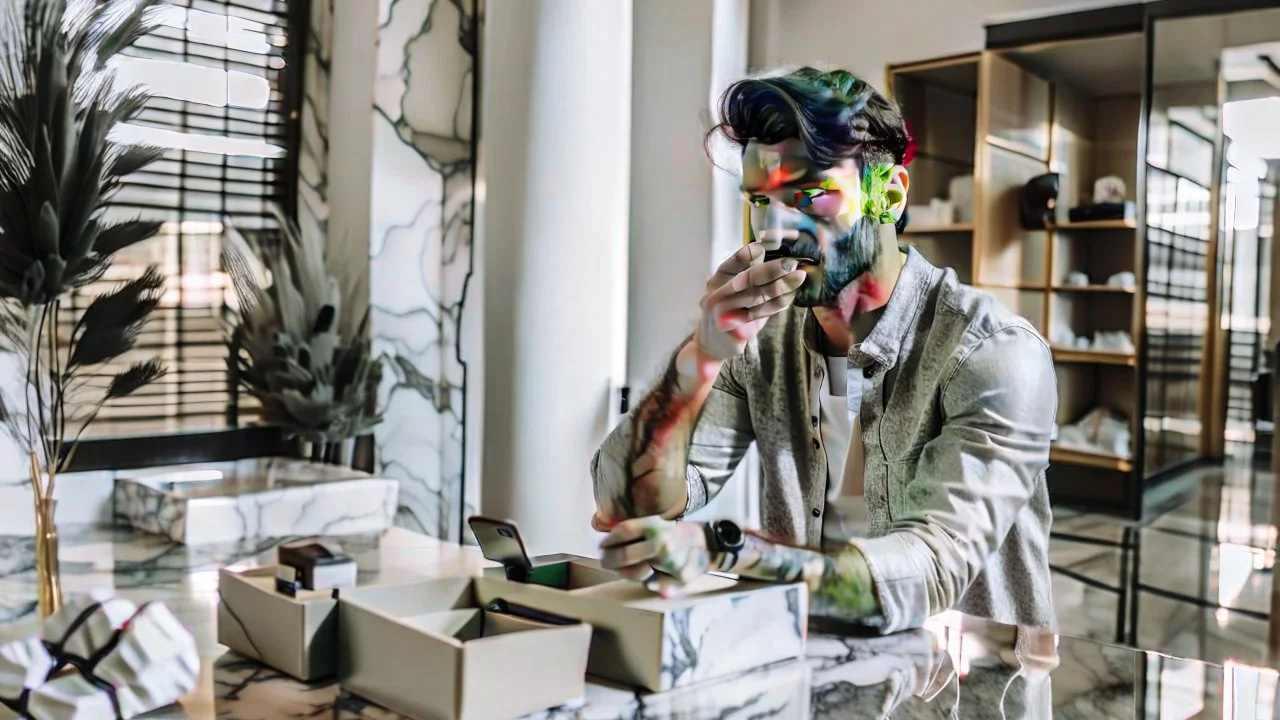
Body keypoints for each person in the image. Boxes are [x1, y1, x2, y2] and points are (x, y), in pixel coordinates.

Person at [590, 67, 1058, 634]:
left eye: (809, 193)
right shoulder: (762, 340)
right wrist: (702, 357)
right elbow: (623, 503)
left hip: (965, 690)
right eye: (761, 201)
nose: (777, 229)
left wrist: (728, 552)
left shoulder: (996, 351)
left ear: (888, 195)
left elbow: (932, 570)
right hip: (810, 675)